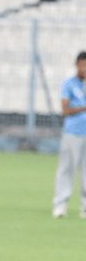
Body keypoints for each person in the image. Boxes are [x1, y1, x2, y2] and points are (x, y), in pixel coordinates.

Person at [52, 51, 86, 219]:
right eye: (83, 65)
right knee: (67, 168)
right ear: (77, 65)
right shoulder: (69, 84)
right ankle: (60, 204)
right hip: (73, 133)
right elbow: (66, 110)